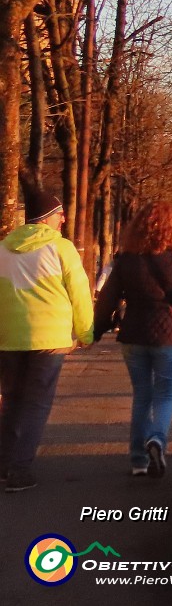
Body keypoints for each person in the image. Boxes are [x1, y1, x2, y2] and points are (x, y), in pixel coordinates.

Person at [94, 201, 172, 477]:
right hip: (170, 335)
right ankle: (157, 438)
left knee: (141, 395)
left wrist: (97, 329)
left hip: (134, 334)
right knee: (165, 393)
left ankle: (137, 460)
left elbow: (107, 299)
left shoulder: (126, 260)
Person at [0, 187, 92, 492]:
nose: (64, 219)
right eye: (60, 213)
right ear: (48, 218)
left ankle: (4, 464)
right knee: (37, 403)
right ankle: (20, 469)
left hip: (8, 337)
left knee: (12, 401)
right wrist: (86, 331)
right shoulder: (61, 248)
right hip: (48, 338)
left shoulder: (3, 248)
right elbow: (79, 294)